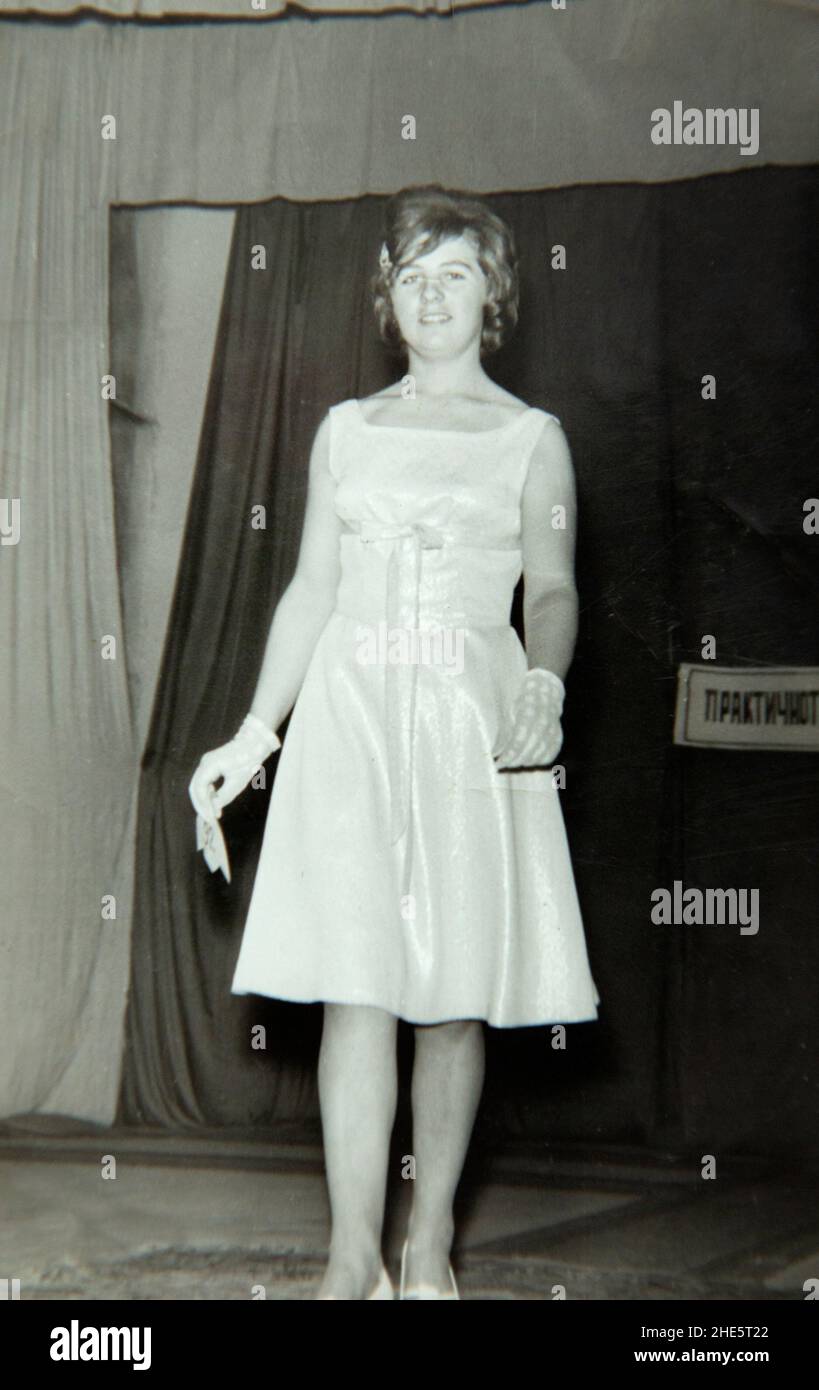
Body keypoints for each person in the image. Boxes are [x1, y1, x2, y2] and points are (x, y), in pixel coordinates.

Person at [189, 185, 600, 1301]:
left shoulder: (532, 440)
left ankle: (426, 1249)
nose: (431, 294)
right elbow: (312, 587)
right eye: (412, 275)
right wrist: (252, 733)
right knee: (356, 990)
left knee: (453, 996)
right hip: (353, 720)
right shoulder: (346, 432)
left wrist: (546, 684)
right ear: (389, 297)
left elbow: (554, 591)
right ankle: (347, 1256)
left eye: (453, 273)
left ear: (492, 294)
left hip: (471, 721)